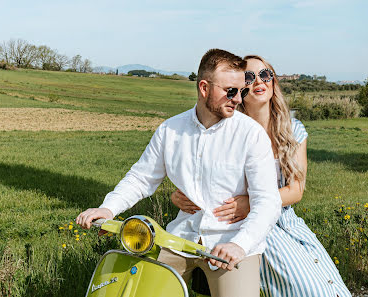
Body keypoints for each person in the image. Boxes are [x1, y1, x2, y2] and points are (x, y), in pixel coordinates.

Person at [76, 49, 283, 297]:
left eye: (242, 91)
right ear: (204, 88)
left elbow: (268, 202)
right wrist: (108, 209)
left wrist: (239, 245)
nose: (238, 99)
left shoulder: (251, 135)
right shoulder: (170, 130)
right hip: (180, 239)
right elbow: (141, 178)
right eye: (230, 91)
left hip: (232, 241)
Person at [171, 55, 352, 297]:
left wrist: (251, 201)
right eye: (249, 77)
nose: (259, 81)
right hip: (245, 224)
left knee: (327, 283)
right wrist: (178, 196)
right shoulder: (227, 130)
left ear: (273, 82)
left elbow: (296, 190)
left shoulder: (293, 129)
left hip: (285, 220)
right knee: (306, 287)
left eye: (265, 74)